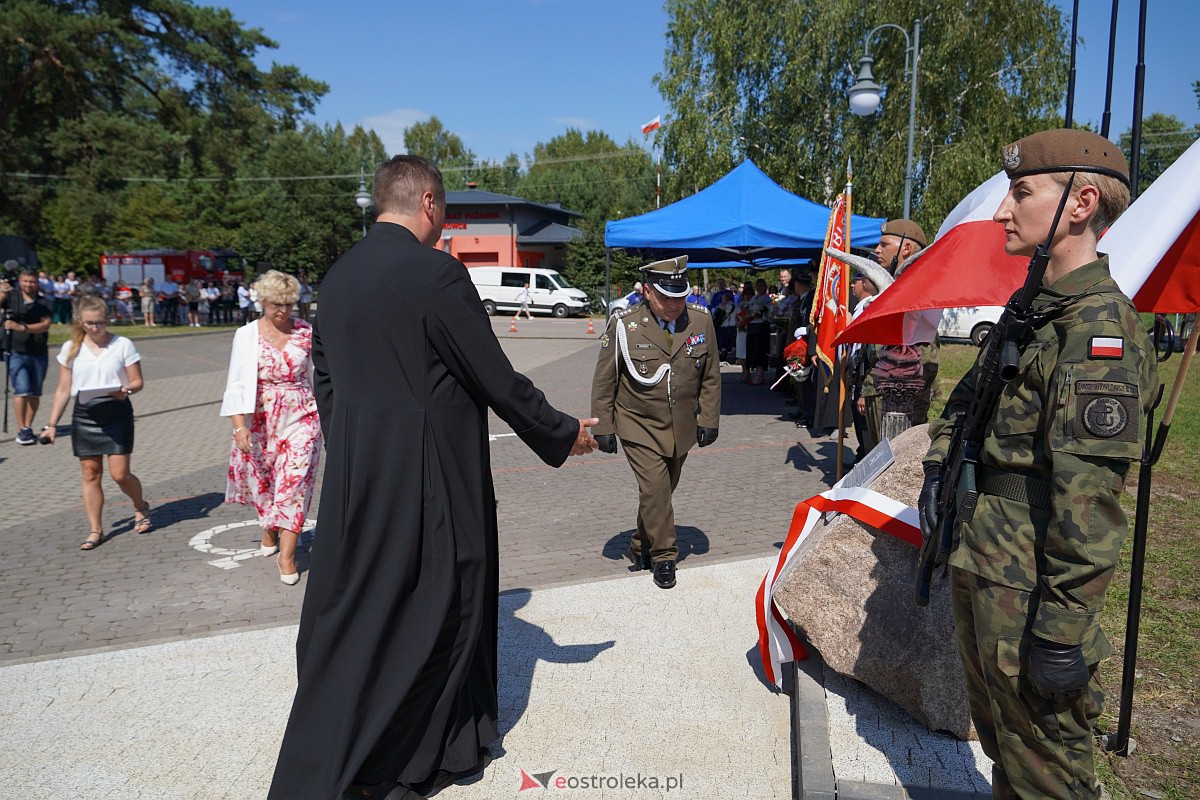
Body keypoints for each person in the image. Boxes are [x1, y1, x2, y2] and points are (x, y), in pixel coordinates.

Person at [268, 155, 597, 800]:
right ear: (428, 206)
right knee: (446, 599)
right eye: (443, 214)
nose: (444, 227)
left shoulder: (335, 278)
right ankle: (419, 748)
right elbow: (493, 375)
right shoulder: (435, 274)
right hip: (434, 475)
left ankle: (391, 732)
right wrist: (561, 432)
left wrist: (360, 447)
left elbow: (325, 383)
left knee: (365, 605)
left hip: (362, 476)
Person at [921, 129, 1158, 799]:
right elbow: (967, 403)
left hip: (1029, 593)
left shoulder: (1096, 334)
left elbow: (1091, 509)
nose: (1003, 212)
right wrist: (940, 466)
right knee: (1006, 751)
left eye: (1021, 193)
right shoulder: (1032, 312)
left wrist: (1059, 635)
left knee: (1046, 778)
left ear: (1081, 203)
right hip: (986, 564)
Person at [590, 255, 721, 590]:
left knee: (659, 492)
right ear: (648, 291)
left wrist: (709, 418)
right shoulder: (625, 325)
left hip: (680, 427)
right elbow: (605, 379)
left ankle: (641, 544)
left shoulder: (700, 322)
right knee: (655, 488)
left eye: (680, 296)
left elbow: (710, 377)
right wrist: (603, 426)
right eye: (666, 297)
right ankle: (664, 556)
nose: (675, 304)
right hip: (638, 423)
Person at [221, 270, 321, 585]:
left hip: (303, 417)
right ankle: (269, 528)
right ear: (262, 300)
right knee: (265, 483)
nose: (283, 310)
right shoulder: (247, 335)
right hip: (262, 419)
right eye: (276, 303)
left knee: (294, 484)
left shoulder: (307, 332)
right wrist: (239, 427)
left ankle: (287, 555)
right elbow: (236, 381)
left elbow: (319, 375)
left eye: (288, 304)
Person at [40, 295, 151, 549]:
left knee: (120, 474)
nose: (95, 328)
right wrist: (52, 424)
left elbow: (137, 382)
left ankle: (140, 506)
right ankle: (95, 530)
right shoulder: (71, 348)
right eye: (90, 323)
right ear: (80, 321)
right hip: (85, 415)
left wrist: (126, 390)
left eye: (100, 322)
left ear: (108, 320)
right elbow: (63, 389)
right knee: (90, 473)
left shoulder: (122, 344)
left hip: (116, 412)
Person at [869, 218, 940, 428]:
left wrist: (903, 395)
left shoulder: (917, 291)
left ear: (906, 248)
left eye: (884, 245)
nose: (876, 250)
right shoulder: (893, 287)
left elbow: (926, 355)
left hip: (901, 403)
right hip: (882, 391)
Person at [1, 267, 54, 445]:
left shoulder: (44, 302)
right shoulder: (11, 297)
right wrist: (2, 291)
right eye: (25, 281)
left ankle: (28, 425)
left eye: (32, 282)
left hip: (38, 351)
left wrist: (23, 328)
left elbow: (45, 324)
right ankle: (21, 428)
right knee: (22, 389)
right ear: (20, 281)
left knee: (34, 392)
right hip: (15, 350)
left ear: (37, 283)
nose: (28, 285)